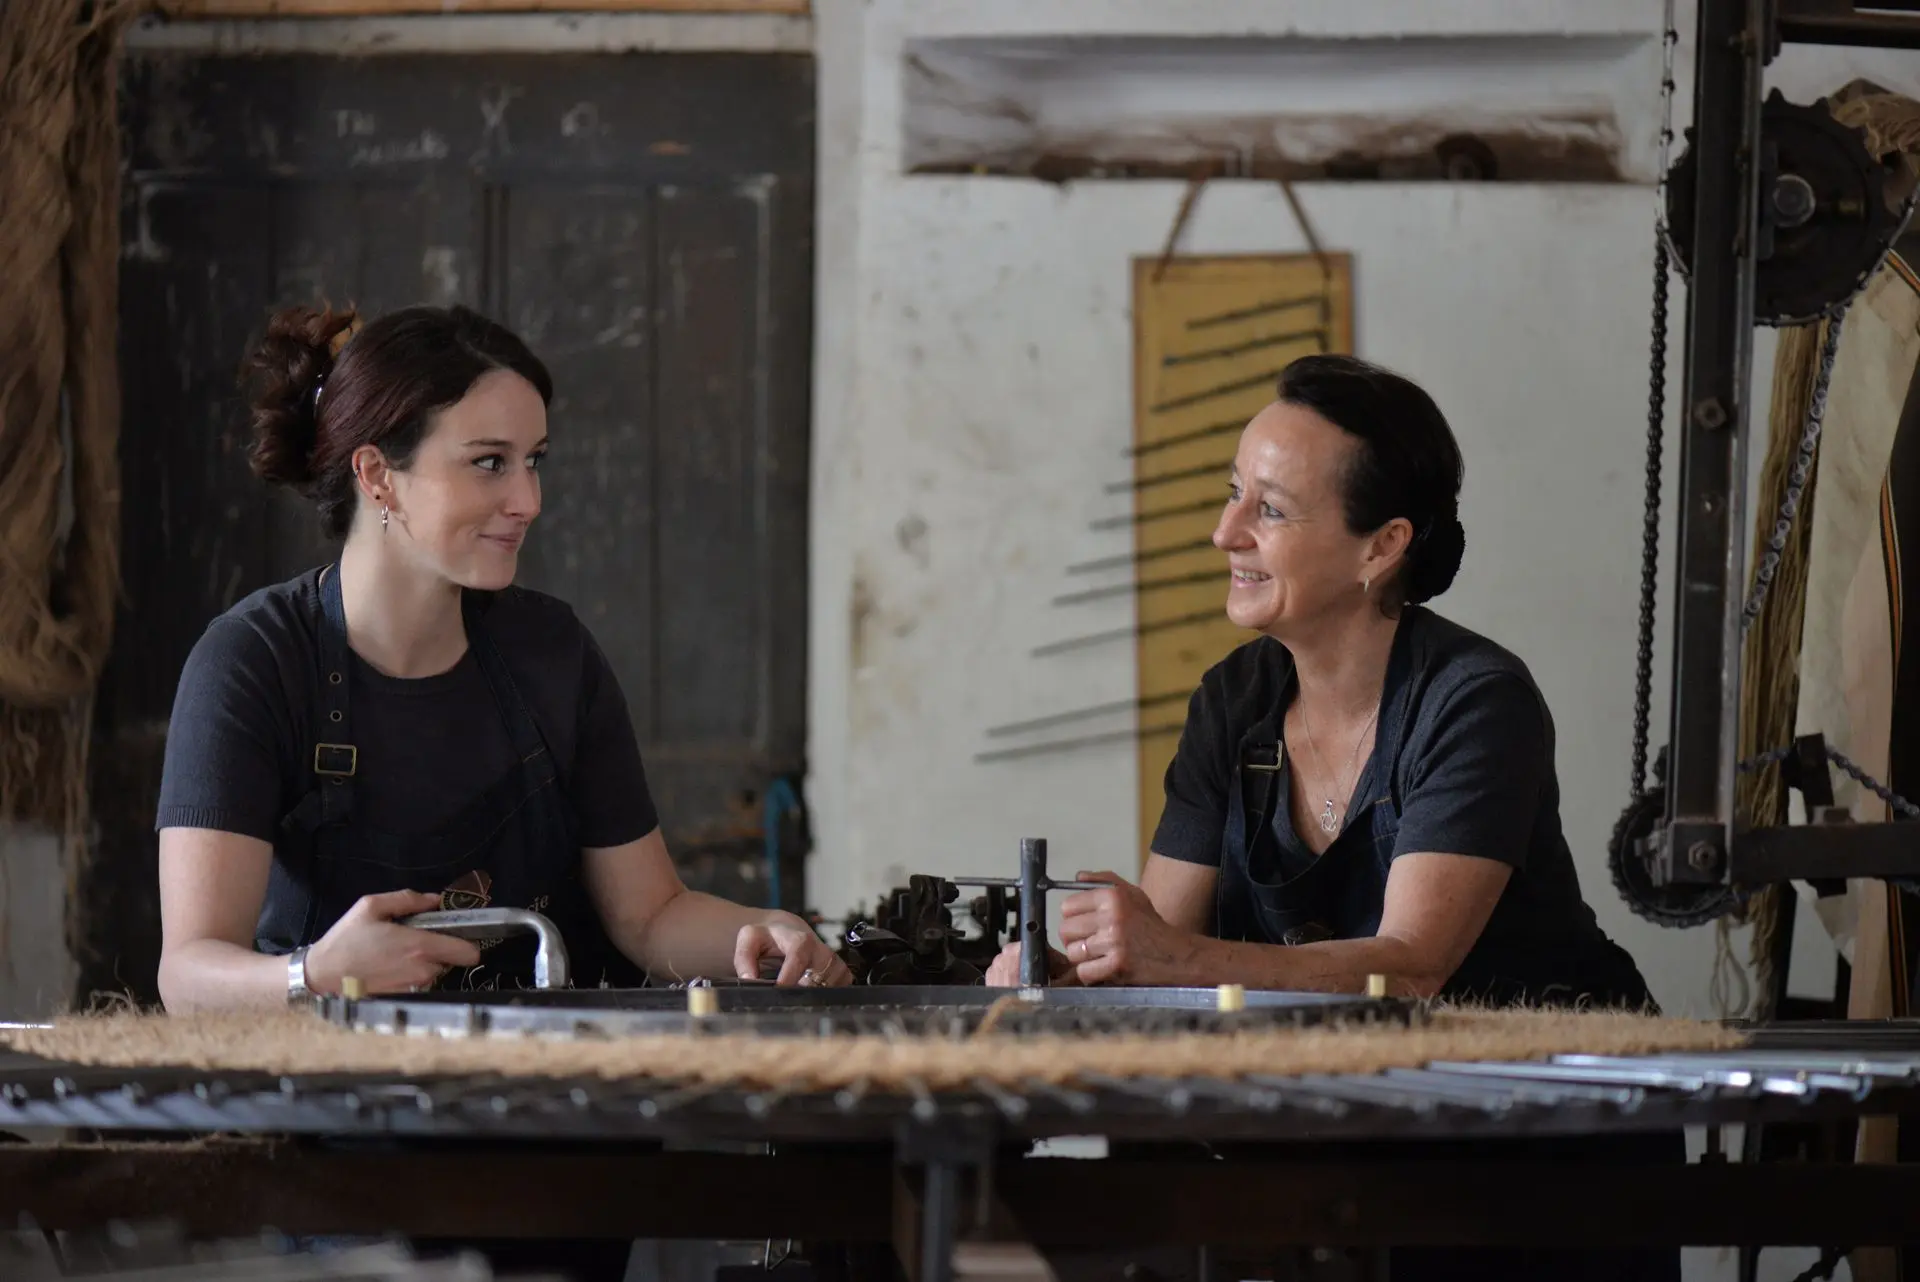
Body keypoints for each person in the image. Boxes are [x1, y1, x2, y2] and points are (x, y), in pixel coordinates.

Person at [156, 302, 850, 1017]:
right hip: (330, 1104)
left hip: (543, 1096)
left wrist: (767, 932)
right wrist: (314, 974)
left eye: (533, 462)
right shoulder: (253, 662)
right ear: (377, 476)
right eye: (489, 463)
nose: (529, 500)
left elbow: (650, 917)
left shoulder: (553, 653)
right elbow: (187, 976)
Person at [986, 353, 1652, 1010]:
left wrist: (1173, 956)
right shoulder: (1233, 700)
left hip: (1549, 1096)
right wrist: (1072, 974)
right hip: (1366, 1099)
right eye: (1233, 493)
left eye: (1270, 510)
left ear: (1382, 547)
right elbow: (1161, 945)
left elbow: (1410, 970)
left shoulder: (1474, 703)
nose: (1225, 533)